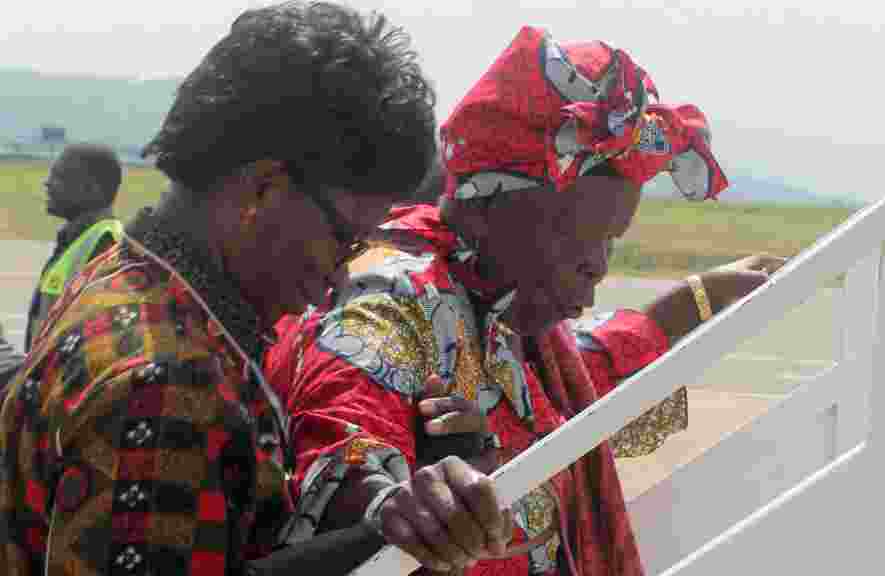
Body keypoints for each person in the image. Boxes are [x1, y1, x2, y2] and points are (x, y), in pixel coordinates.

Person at [0, 3, 504, 575]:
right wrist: (391, 540)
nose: (340, 277)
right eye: (344, 239)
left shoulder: (125, 276)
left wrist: (400, 499)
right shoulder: (170, 382)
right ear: (263, 189)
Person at [264, 25, 785, 575]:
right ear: (490, 206)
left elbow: (550, 389)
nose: (598, 264)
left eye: (611, 240)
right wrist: (401, 503)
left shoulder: (498, 310)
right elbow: (347, 433)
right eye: (579, 234)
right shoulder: (389, 297)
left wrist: (692, 303)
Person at [24, 143, 124, 350]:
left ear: (91, 189)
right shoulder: (78, 238)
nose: (47, 183)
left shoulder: (105, 243)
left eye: (59, 177)